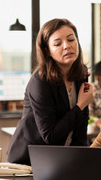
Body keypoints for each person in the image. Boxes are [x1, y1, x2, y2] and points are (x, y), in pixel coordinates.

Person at [7, 18, 93, 165]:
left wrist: (81, 162)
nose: (67, 46)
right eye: (58, 44)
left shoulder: (80, 76)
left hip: (60, 160)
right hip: (29, 162)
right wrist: (80, 105)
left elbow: (81, 127)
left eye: (71, 39)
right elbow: (50, 135)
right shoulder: (40, 81)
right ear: (47, 51)